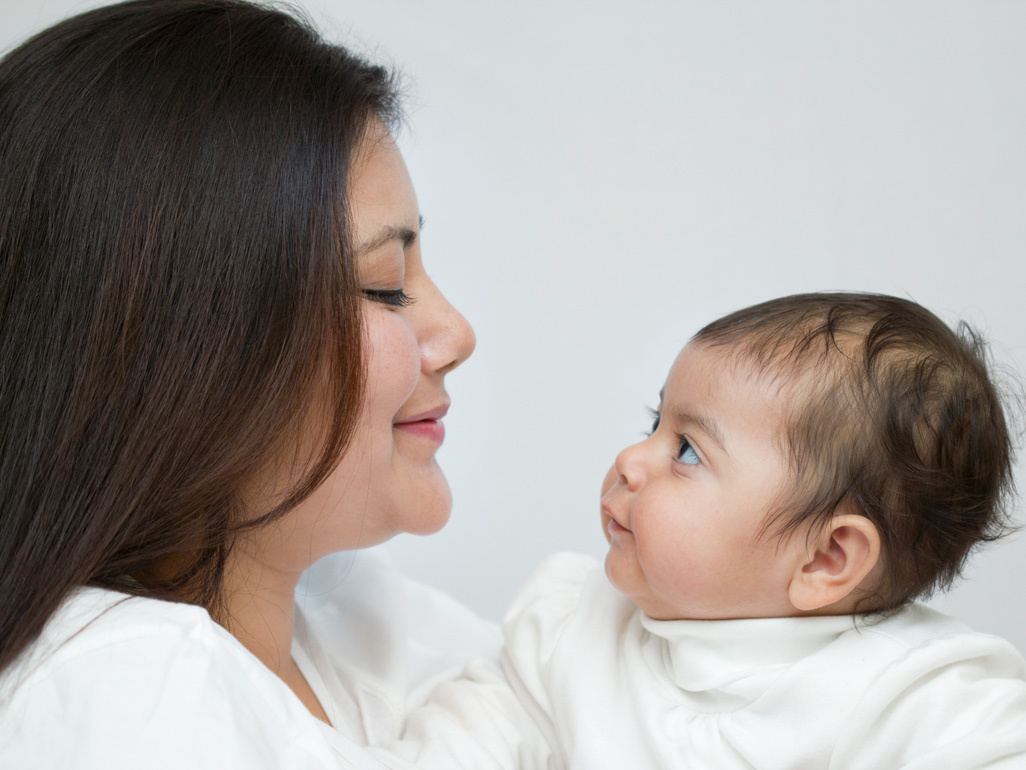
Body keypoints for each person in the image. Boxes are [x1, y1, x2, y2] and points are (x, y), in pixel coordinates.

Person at [0, 1, 496, 767]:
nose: (456, 334)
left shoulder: (363, 622)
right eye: (387, 285)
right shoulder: (127, 695)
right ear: (183, 351)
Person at [377, 293, 1026, 769]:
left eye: (686, 450)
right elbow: (463, 741)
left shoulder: (911, 695)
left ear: (826, 557)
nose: (631, 461)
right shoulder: (570, 627)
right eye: (653, 423)